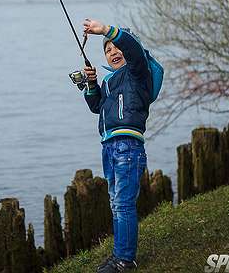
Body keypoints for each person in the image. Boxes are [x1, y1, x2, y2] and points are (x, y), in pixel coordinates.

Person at [82, 18, 151, 273]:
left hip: (128, 146)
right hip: (109, 147)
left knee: (123, 204)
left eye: (115, 47)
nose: (112, 52)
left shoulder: (137, 71)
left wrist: (106, 31)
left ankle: (124, 259)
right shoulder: (110, 81)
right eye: (107, 49)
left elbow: (132, 47)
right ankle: (120, 255)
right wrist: (91, 84)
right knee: (115, 203)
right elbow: (96, 107)